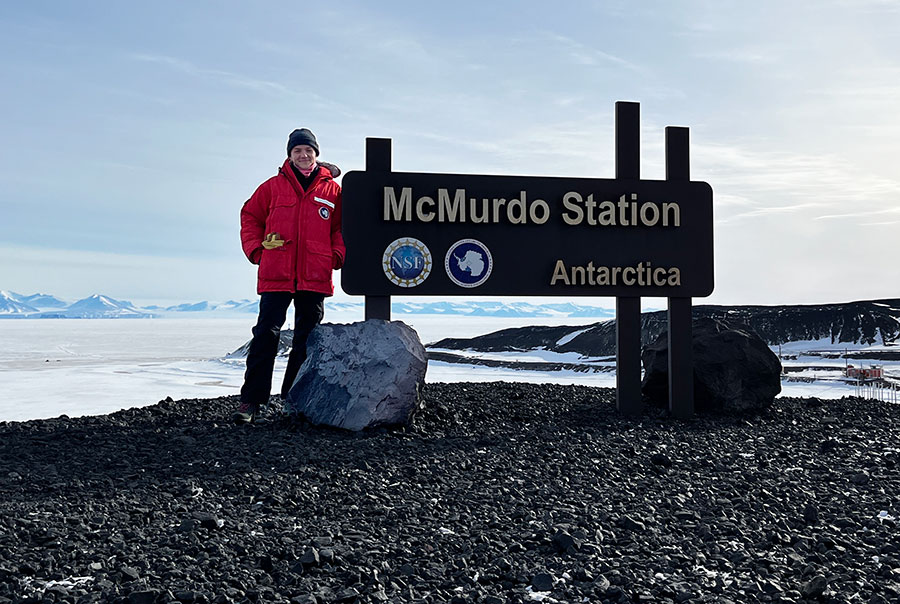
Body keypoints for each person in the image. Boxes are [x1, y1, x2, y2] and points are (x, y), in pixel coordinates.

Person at [234, 128, 345, 423]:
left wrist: (336, 255)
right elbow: (250, 216)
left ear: (316, 154)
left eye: (308, 150)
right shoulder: (271, 187)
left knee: (306, 340)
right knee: (265, 336)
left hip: (315, 274)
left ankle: (294, 402)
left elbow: (342, 228)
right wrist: (257, 249)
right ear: (289, 155)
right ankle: (251, 403)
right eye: (297, 151)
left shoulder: (333, 191)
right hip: (277, 273)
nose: (303, 155)